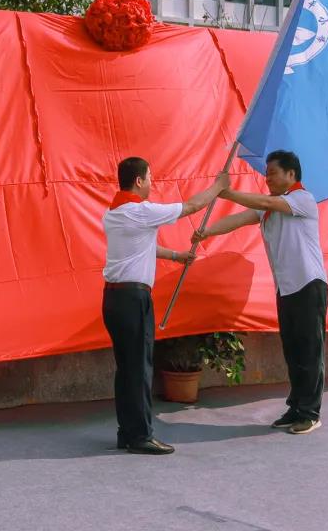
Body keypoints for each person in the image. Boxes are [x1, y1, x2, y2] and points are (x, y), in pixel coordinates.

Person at [193, 150, 328, 435]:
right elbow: (239, 219)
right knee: (292, 351)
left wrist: (225, 192)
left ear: (291, 175)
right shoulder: (269, 209)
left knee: (309, 352)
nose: (267, 179)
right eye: (265, 174)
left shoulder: (302, 200)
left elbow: (265, 200)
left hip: (308, 285)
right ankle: (296, 407)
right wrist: (206, 232)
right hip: (287, 288)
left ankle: (310, 412)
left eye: (272, 173)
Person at [103, 157, 229, 454]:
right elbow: (191, 207)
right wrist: (218, 187)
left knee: (127, 369)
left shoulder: (114, 212)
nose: (152, 182)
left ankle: (128, 431)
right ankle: (141, 435)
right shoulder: (139, 210)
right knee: (140, 369)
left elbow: (143, 247)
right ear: (138, 181)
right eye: (149, 177)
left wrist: (176, 256)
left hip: (114, 299)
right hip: (133, 300)